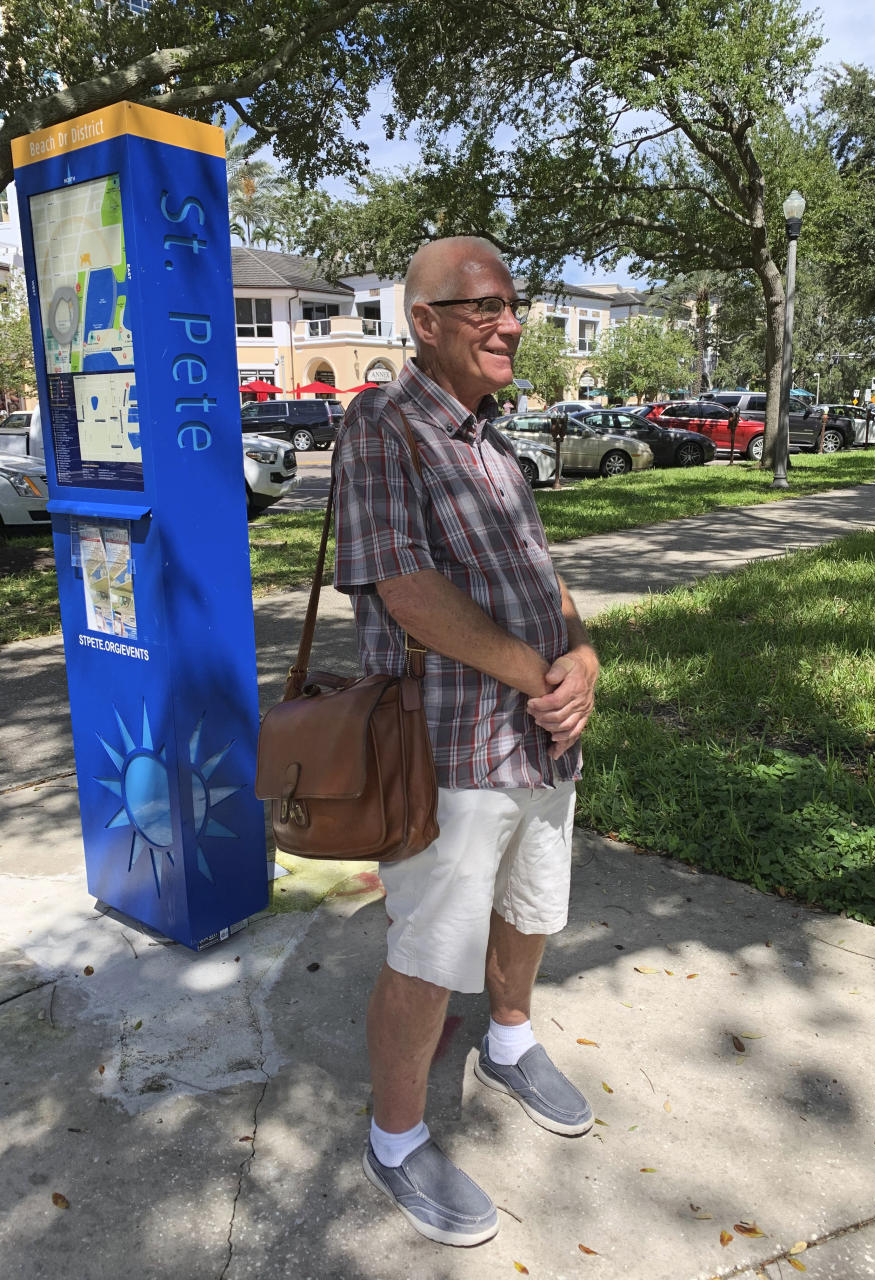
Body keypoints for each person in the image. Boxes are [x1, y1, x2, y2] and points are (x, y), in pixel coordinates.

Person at [333, 236, 599, 1248]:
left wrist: (583, 656)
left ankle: (511, 1037)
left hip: (539, 738)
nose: (511, 323)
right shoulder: (384, 424)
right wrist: (539, 675)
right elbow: (406, 590)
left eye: (514, 304)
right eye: (483, 306)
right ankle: (394, 1139)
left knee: (532, 903)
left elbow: (544, 574)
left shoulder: (493, 435)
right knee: (426, 953)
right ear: (426, 321)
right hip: (447, 746)